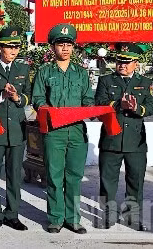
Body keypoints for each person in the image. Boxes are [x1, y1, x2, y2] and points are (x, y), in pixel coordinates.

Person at [31, 23, 93, 234]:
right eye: (60, 44)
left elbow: (88, 98)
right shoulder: (44, 72)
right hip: (54, 131)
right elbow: (38, 98)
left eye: (68, 44)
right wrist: (47, 109)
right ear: (52, 47)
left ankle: (73, 219)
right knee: (55, 176)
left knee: (74, 176)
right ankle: (56, 218)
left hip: (76, 130)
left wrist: (89, 108)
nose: (65, 48)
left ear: (73, 47)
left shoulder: (81, 73)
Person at [94, 43, 153, 231]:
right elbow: (99, 104)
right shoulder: (106, 80)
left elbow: (152, 106)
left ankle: (132, 217)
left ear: (135, 63)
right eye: (120, 61)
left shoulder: (145, 82)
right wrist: (118, 104)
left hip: (135, 141)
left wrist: (137, 108)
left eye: (127, 62)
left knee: (135, 181)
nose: (122, 65)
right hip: (111, 138)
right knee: (107, 180)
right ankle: (108, 215)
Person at [0, 25, 30, 232]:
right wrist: (1, 95)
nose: (13, 51)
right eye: (9, 47)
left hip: (17, 130)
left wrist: (18, 98)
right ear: (0, 47)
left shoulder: (23, 69)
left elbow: (29, 96)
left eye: (16, 47)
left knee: (14, 175)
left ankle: (12, 214)